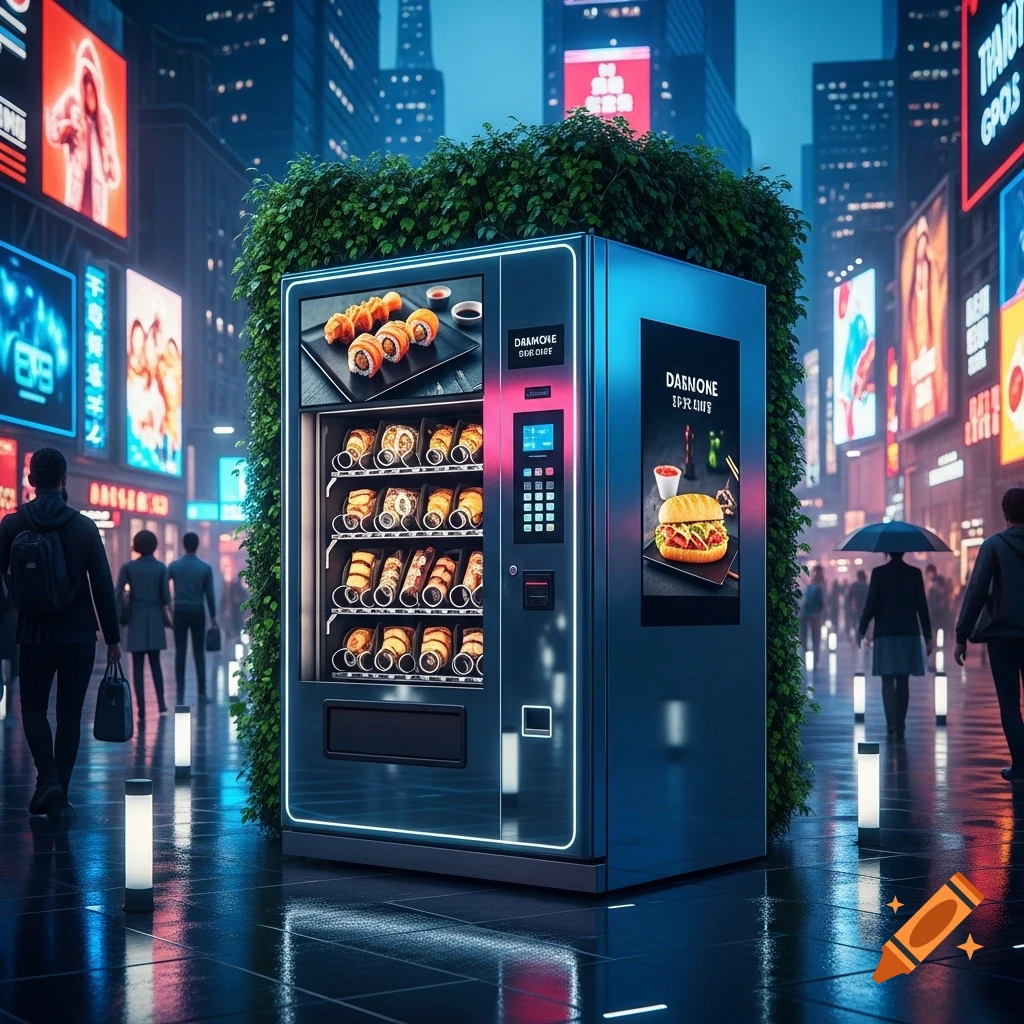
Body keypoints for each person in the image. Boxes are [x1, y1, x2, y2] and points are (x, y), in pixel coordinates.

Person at [0, 448, 121, 815]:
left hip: (33, 633)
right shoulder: (83, 526)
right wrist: (113, 638)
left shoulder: (12, 524)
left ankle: (47, 779)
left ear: (31, 481)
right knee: (70, 715)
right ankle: (59, 791)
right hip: (79, 635)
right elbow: (102, 585)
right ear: (64, 480)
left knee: (33, 710)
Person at [954, 488, 1024, 782]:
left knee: (1009, 701)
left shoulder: (993, 546)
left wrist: (961, 635)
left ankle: (1020, 766)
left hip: (1003, 636)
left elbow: (977, 592)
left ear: (1004, 513)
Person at [46, 39, 121, 226]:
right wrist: (69, 127)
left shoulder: (104, 119)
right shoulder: (71, 101)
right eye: (85, 89)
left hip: (97, 213)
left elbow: (114, 175)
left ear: (97, 89)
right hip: (73, 203)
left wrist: (108, 162)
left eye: (92, 90)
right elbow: (52, 129)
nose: (89, 96)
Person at [858, 552, 933, 740]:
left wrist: (862, 629)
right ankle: (900, 724)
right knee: (902, 679)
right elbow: (921, 606)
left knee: (887, 679)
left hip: (885, 632)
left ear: (887, 552)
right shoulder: (914, 573)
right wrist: (928, 636)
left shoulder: (878, 573)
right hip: (908, 632)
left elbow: (871, 605)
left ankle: (891, 723)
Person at [116, 531, 171, 719]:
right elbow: (166, 597)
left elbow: (117, 594)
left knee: (137, 667)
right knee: (156, 663)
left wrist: (115, 618)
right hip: (155, 617)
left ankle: (140, 708)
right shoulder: (161, 568)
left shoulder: (128, 567)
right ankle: (161, 704)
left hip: (136, 618)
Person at [168, 532, 218, 704]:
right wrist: (213, 617)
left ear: (183, 544)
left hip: (179, 611)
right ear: (198, 545)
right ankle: (202, 692)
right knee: (199, 653)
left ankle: (180, 691)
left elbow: (163, 585)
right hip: (198, 612)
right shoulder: (205, 568)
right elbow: (209, 595)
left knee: (180, 652)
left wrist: (168, 605)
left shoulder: (174, 566)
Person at [800, 565, 826, 655]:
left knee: (806, 631)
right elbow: (823, 600)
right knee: (815, 634)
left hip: (808, 611)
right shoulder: (821, 584)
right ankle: (815, 650)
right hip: (816, 613)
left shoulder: (812, 584)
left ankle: (805, 647)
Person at [925, 564, 951, 647]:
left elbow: (944, 592)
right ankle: (935, 644)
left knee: (940, 626)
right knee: (934, 627)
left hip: (940, 608)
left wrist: (936, 587)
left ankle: (941, 644)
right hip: (933, 607)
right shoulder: (930, 581)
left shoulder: (939, 580)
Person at [846, 569, 870, 640]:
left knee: (857, 624)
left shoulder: (854, 586)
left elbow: (849, 598)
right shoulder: (868, 586)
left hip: (856, 609)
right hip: (866, 609)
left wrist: (849, 608)